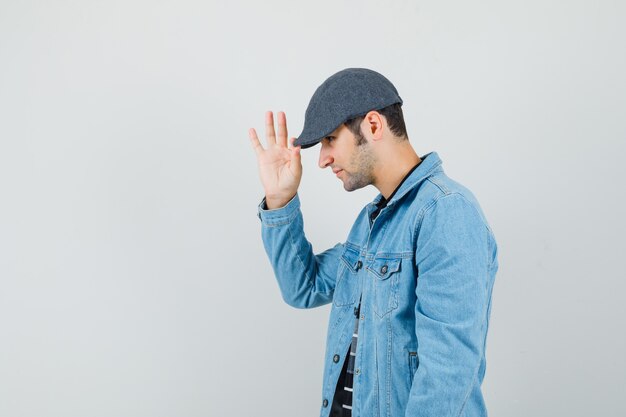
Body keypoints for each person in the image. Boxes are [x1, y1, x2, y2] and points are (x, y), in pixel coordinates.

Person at [248, 68, 499, 417]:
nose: (321, 160)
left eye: (330, 139)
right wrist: (280, 199)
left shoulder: (445, 211)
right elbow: (302, 288)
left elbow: (448, 372)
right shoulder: (371, 223)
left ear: (374, 125)